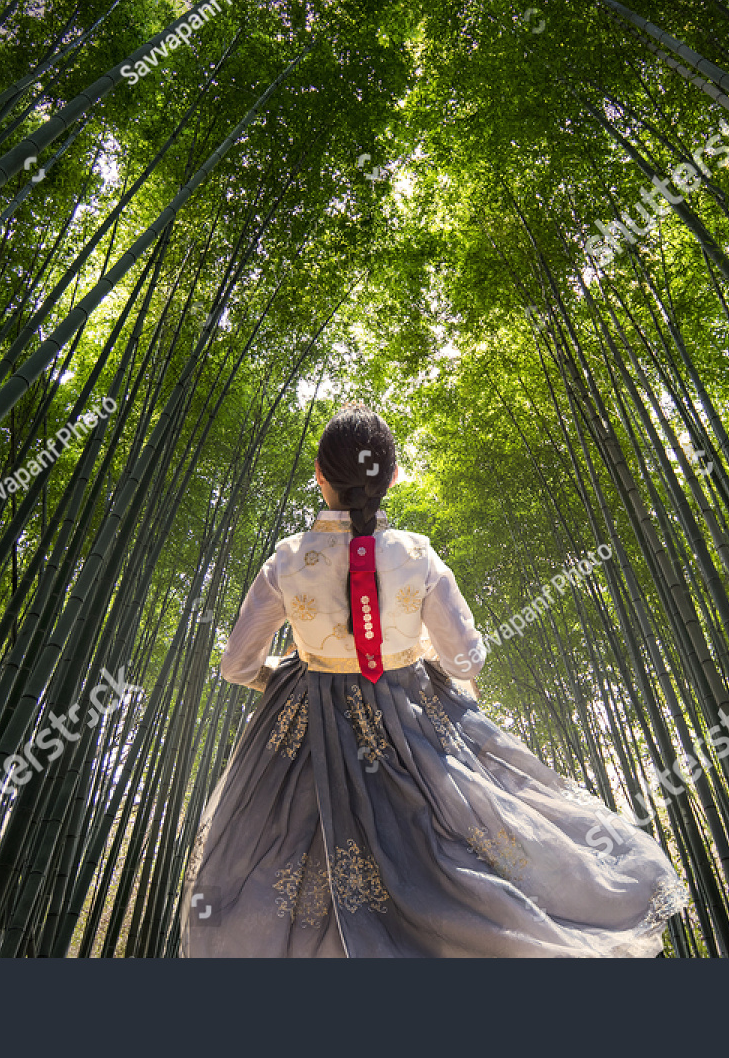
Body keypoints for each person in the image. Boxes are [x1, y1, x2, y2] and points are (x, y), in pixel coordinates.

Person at [179, 403, 687, 956]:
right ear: (393, 478)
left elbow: (235, 666)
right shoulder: (417, 555)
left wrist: (287, 673)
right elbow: (466, 661)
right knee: (458, 855)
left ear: (319, 476)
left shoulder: (287, 560)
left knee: (283, 877)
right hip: (413, 719)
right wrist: (417, 659)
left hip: (308, 734)